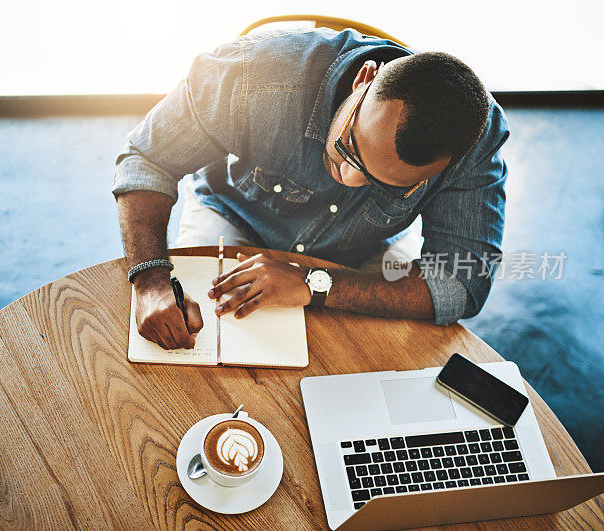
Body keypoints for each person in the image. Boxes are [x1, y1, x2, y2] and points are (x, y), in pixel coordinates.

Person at [112, 28, 508, 350]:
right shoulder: (256, 74)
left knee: (377, 370)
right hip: (233, 214)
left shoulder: (474, 142)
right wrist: (150, 280)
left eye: (383, 184)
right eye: (349, 148)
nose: (350, 178)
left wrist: (315, 283)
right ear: (363, 79)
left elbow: (461, 285)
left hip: (362, 251)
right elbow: (147, 158)